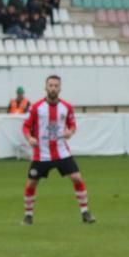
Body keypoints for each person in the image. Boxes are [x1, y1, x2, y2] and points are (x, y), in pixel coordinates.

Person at [21, 75, 95, 225]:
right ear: (45, 87)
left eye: (56, 86)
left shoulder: (67, 107)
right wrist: (29, 138)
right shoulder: (36, 107)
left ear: (60, 88)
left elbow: (72, 125)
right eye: (50, 85)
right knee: (31, 184)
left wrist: (70, 132)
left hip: (61, 152)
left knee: (77, 178)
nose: (53, 88)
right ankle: (28, 216)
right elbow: (25, 126)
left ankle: (85, 212)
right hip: (41, 154)